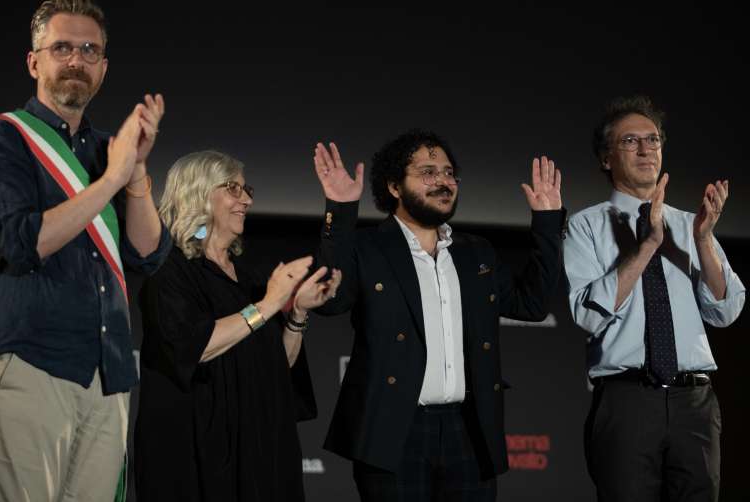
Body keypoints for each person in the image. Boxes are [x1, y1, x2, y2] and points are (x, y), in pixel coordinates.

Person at [0, 0, 171, 501]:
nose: (76, 60)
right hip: (32, 360)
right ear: (34, 61)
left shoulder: (112, 150)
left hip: (108, 373)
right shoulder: (4, 137)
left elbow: (148, 252)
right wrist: (110, 181)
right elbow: (22, 242)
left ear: (103, 68)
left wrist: (138, 170)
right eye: (62, 48)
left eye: (89, 51)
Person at [310, 130, 565, 501]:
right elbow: (331, 302)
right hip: (393, 431)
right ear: (395, 186)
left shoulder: (476, 252)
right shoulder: (369, 247)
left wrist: (546, 221)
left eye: (448, 173)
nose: (443, 182)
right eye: (428, 173)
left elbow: (532, 305)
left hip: (470, 430)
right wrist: (340, 209)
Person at [564, 95, 746, 501]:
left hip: (694, 403)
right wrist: (646, 245)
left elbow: (726, 309)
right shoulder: (586, 226)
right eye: (631, 141)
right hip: (627, 401)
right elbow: (588, 314)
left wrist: (702, 240)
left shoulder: (692, 224)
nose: (646, 149)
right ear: (606, 158)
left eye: (653, 139)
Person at [134, 150, 340, 501]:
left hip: (257, 447)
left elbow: (277, 364)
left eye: (247, 190)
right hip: (195, 451)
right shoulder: (168, 268)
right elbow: (195, 346)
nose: (245, 199)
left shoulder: (250, 277)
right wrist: (268, 305)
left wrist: (297, 314)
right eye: (233, 188)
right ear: (198, 192)